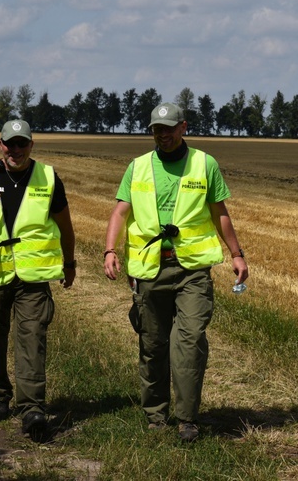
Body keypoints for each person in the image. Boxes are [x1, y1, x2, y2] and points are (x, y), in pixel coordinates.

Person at [103, 102, 248, 442]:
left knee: (190, 340)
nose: (163, 134)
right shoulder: (137, 167)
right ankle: (156, 413)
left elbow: (219, 212)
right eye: (157, 129)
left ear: (184, 127)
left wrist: (237, 254)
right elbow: (119, 213)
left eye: (169, 128)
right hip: (151, 266)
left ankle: (187, 419)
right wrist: (111, 250)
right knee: (153, 344)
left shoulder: (204, 163)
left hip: (192, 269)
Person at [0, 119, 76, 441]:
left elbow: (65, 226)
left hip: (33, 278)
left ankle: (31, 407)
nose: (16, 150)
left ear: (31, 146)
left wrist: (69, 263)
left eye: (22, 143)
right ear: (0, 145)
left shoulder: (49, 177)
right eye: (10, 144)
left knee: (32, 339)